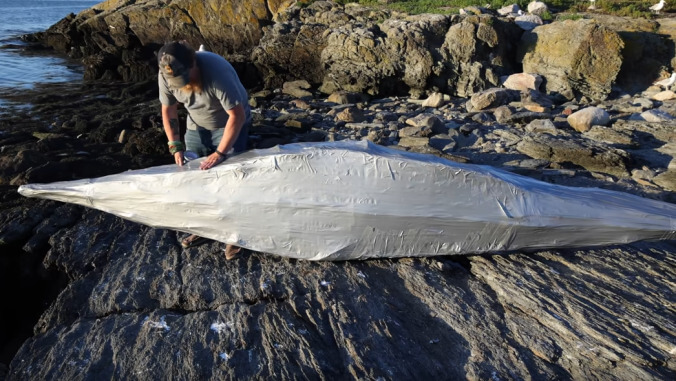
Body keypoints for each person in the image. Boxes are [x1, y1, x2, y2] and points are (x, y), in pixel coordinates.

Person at [157, 40, 251, 260]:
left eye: (186, 77)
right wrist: (176, 145)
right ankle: (204, 227)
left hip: (229, 122)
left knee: (231, 180)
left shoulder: (217, 73)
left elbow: (237, 115)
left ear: (194, 63)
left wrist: (220, 153)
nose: (183, 84)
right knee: (194, 178)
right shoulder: (165, 74)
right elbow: (169, 111)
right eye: (177, 81)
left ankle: (234, 234)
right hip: (196, 125)